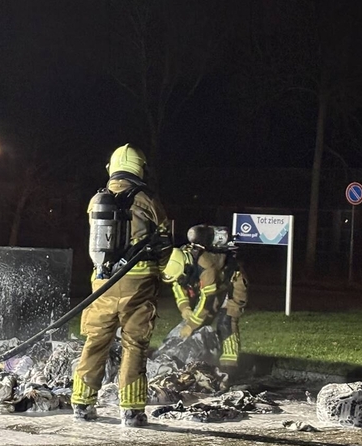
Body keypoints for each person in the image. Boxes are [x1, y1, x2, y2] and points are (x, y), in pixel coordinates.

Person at [71, 144, 170, 427]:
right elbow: (164, 239)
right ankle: (132, 409)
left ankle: (81, 402)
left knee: (95, 341)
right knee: (134, 344)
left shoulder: (96, 201)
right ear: (140, 167)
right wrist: (161, 269)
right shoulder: (147, 199)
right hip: (138, 284)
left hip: (101, 282)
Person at [161, 225, 248, 372]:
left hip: (233, 283)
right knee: (202, 322)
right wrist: (185, 308)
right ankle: (205, 359)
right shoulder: (179, 262)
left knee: (226, 321)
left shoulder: (206, 267)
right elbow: (178, 286)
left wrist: (191, 326)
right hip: (217, 285)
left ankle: (230, 366)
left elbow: (207, 300)